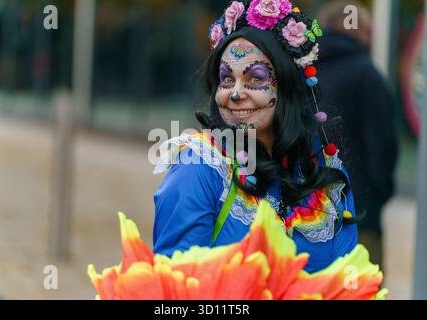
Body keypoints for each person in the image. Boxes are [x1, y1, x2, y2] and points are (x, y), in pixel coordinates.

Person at [152, 0, 359, 273]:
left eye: (256, 78)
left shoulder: (326, 174)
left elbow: (347, 283)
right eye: (227, 79)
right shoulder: (201, 167)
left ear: (287, 87)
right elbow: (175, 287)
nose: (235, 94)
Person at [316, 0, 399, 270]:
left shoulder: (304, 74)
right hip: (358, 211)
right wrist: (377, 193)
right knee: (363, 286)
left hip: (306, 212)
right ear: (358, 30)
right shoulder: (367, 75)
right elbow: (383, 144)